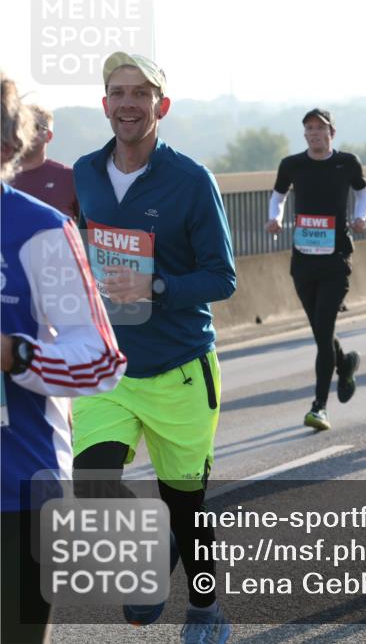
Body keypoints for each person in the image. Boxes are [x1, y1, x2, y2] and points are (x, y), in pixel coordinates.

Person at [71, 52, 236, 643]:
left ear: (160, 106)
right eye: (118, 92)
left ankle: (205, 612)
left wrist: (156, 285)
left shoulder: (192, 181)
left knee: (186, 508)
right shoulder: (85, 174)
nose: (128, 103)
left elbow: (223, 278)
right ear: (105, 104)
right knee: (90, 485)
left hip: (179, 369)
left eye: (141, 93)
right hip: (111, 367)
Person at [1, 72, 126, 644]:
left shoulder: (40, 229)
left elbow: (99, 358)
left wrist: (15, 353)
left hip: (20, 488)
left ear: (7, 147)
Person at [265, 109, 366, 430]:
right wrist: (276, 217)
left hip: (336, 259)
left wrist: (362, 217)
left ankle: (319, 406)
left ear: (331, 132)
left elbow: (363, 191)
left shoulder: (347, 162)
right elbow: (278, 195)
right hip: (303, 260)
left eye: (320, 128)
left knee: (323, 333)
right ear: (304, 134)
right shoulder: (292, 165)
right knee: (322, 331)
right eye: (309, 128)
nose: (314, 134)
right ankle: (345, 364)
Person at [10, 104, 79, 219]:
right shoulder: (4, 177)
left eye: (34, 127)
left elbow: (87, 227)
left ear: (49, 136)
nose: (27, 132)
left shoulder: (69, 178)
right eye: (22, 126)